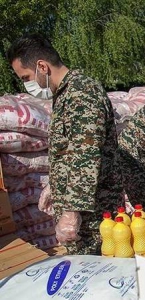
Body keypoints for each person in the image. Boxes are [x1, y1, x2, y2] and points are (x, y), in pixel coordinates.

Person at [7, 33, 124, 255]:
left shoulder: (81, 94)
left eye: (25, 77)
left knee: (94, 275)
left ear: (42, 66)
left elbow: (86, 154)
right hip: (82, 207)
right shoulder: (65, 94)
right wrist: (55, 183)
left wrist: (71, 212)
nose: (26, 85)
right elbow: (69, 148)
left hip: (92, 213)